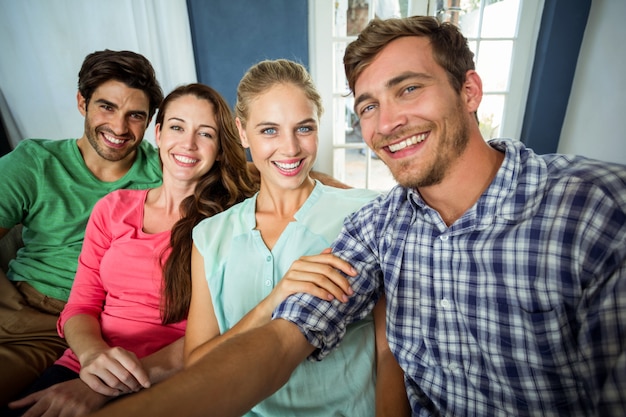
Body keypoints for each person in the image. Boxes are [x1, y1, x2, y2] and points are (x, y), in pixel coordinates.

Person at [86, 15, 626, 417]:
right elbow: (282, 339)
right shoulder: (380, 227)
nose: (388, 121)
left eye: (409, 88)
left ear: (470, 91)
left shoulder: (594, 207)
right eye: (368, 106)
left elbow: (385, 354)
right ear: (246, 137)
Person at [4, 83, 257, 417]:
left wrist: (106, 385)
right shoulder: (113, 207)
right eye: (177, 127)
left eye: (206, 134)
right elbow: (82, 304)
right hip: (86, 363)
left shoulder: (232, 223)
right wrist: (94, 356)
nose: (188, 144)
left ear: (222, 148)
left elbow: (223, 330)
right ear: (159, 133)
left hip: (168, 374)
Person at [184, 59, 408, 417]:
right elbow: (196, 367)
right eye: (269, 131)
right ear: (242, 132)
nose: (290, 149)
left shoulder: (368, 214)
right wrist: (273, 301)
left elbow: (390, 349)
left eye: (304, 128)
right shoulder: (210, 237)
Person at [0, 49, 164, 405]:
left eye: (135, 115)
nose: (119, 128)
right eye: (107, 107)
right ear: (82, 102)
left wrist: (312, 180)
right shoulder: (35, 162)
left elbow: (243, 176)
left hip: (62, 324)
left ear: (150, 121)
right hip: (11, 298)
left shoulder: (164, 173)